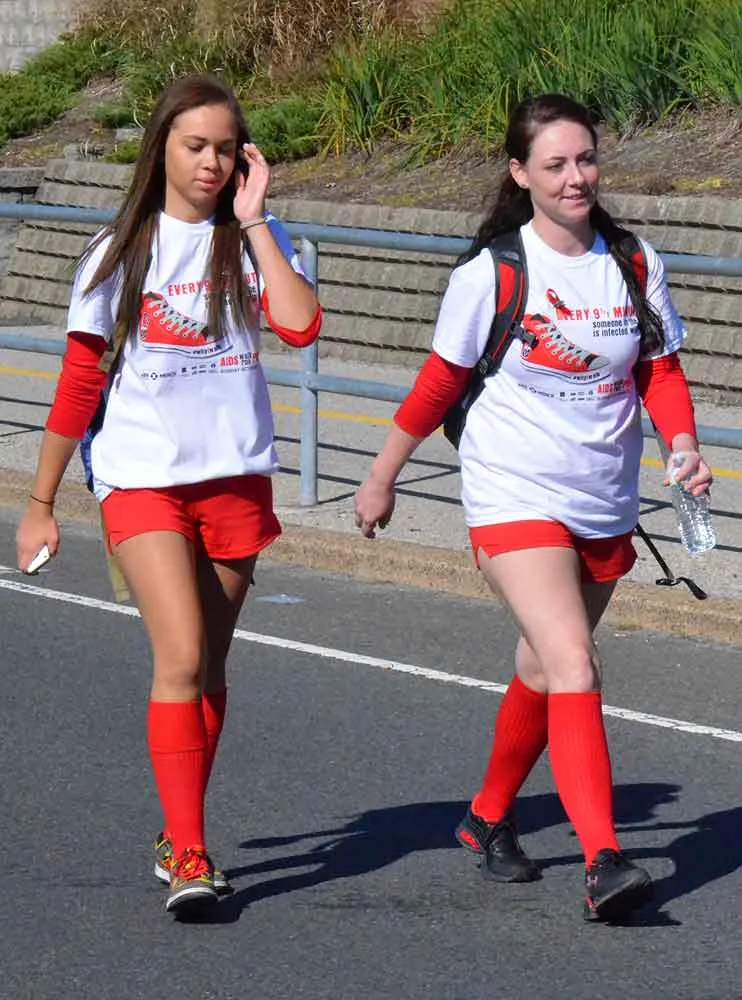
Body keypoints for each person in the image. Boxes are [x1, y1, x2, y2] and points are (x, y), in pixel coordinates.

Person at [354, 93, 712, 922]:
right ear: (520, 174)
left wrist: (683, 444)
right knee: (575, 662)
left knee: (543, 667)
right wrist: (381, 475)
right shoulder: (493, 273)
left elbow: (657, 367)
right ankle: (604, 860)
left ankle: (486, 817)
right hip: (513, 488)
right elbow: (440, 381)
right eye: (555, 164)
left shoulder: (632, 261)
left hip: (603, 495)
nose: (575, 176)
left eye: (585, 158)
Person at [15, 74, 322, 917]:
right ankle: (190, 854)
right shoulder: (118, 254)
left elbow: (300, 326)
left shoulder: (255, 239)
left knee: (211, 667)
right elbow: (79, 383)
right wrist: (40, 504)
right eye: (195, 146)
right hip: (142, 478)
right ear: (162, 150)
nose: (211, 163)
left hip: (235, 475)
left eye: (225, 148)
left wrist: (256, 220)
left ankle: (175, 829)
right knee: (180, 656)